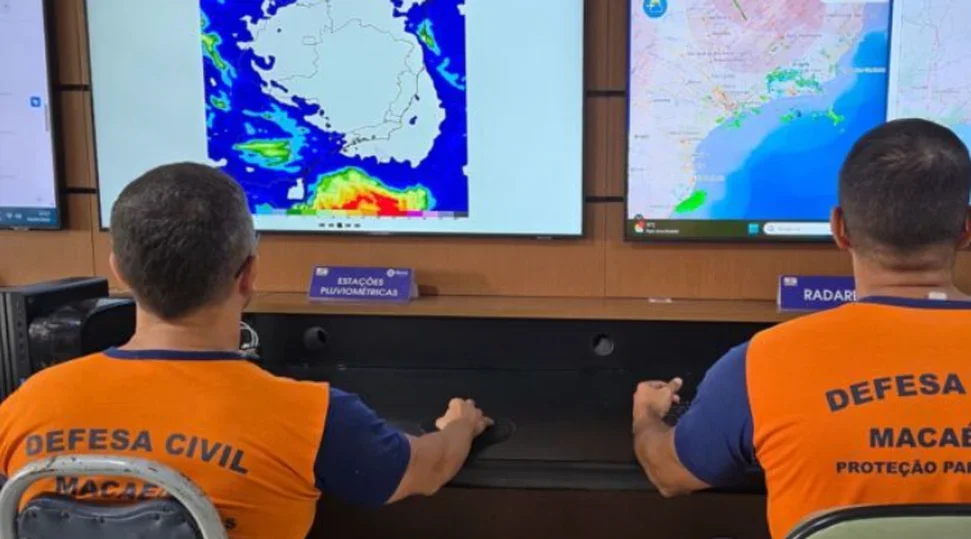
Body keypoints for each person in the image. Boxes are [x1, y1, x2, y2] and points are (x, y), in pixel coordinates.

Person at [0, 163, 491, 538]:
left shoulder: (27, 405)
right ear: (249, 274)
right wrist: (460, 426)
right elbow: (427, 470)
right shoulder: (310, 416)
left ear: (120, 272)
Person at [631, 118, 971, 538]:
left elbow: (669, 474)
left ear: (839, 228)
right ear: (966, 229)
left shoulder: (761, 362)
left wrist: (647, 415)